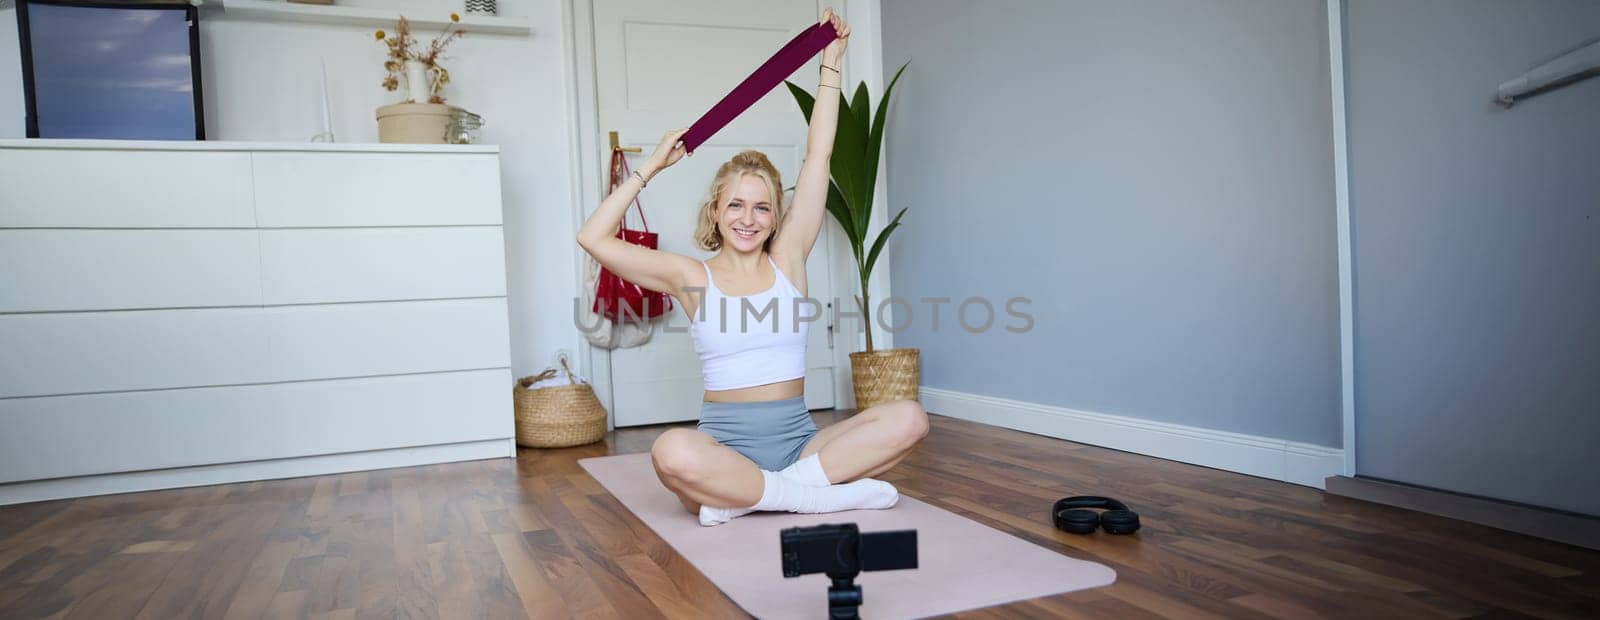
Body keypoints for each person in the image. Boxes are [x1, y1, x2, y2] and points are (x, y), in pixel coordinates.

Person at [577, 9, 928, 527]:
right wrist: (650, 166)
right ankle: (809, 498)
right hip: (724, 453)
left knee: (910, 418)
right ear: (716, 211)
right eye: (736, 205)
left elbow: (819, 156)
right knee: (672, 451)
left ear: (775, 217)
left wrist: (831, 65)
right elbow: (593, 237)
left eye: (762, 207)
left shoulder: (789, 259)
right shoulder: (691, 277)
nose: (748, 218)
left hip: (803, 446)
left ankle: (769, 494)